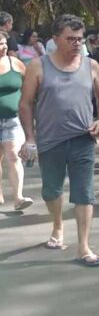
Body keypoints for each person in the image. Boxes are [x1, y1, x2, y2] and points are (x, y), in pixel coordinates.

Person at [19, 14, 99, 267]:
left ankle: (84, 246)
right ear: (56, 39)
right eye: (70, 39)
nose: (76, 44)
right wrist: (29, 138)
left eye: (80, 39)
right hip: (50, 141)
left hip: (83, 139)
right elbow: (26, 103)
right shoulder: (38, 66)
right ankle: (58, 225)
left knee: (85, 193)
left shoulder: (90, 65)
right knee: (51, 191)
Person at [0, 33, 33, 211]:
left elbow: (29, 86)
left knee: (13, 156)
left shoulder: (16, 63)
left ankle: (18, 197)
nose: (4, 47)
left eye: (4, 43)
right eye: (0, 44)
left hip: (13, 119)